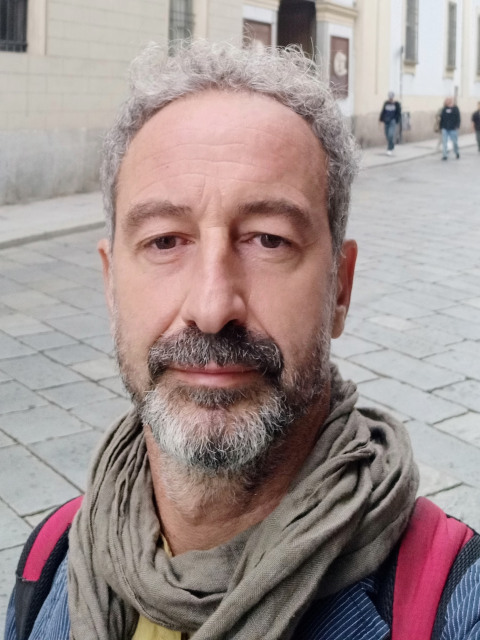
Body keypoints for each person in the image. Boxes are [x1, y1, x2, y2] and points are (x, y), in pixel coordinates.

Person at [5, 42, 480, 640]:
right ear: (110, 285)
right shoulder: (49, 562)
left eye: (269, 240)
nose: (211, 308)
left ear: (340, 288)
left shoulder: (450, 608)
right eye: (164, 241)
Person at [379, 91, 401, 156]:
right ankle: (392, 145)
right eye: (390, 97)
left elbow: (398, 113)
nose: (390, 99)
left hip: (392, 121)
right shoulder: (386, 103)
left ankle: (389, 149)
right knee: (387, 135)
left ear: (393, 97)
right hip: (386, 121)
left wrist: (397, 120)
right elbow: (383, 111)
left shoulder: (396, 104)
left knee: (390, 134)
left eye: (391, 97)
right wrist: (381, 119)